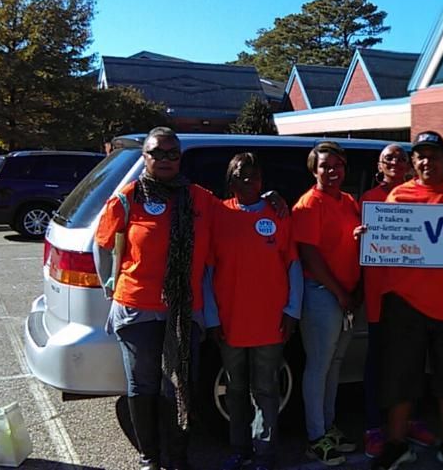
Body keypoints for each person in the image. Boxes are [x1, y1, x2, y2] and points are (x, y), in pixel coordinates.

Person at [95, 126, 216, 470]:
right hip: (137, 309)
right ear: (144, 157)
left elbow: (237, 217)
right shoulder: (127, 197)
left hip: (182, 310)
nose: (164, 159)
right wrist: (110, 285)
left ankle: (178, 458)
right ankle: (150, 457)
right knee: (142, 384)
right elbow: (101, 243)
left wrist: (268, 199)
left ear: (180, 157)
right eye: (156, 153)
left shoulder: (199, 198)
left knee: (177, 386)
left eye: (171, 153)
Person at [373, 131, 443, 470]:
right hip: (406, 304)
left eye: (433, 155)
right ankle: (395, 444)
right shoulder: (398, 196)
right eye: (420, 155)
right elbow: (384, 246)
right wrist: (370, 236)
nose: (426, 161)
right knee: (401, 378)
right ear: (413, 160)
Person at [205, 153, 302, 470]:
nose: (249, 180)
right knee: (235, 390)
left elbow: (293, 265)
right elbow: (208, 272)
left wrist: (292, 311)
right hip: (230, 323)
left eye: (255, 175)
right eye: (241, 175)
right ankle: (240, 449)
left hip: (270, 321)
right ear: (230, 180)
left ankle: (265, 453)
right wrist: (211, 317)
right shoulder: (218, 214)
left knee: (267, 390)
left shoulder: (279, 213)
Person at [357, 144, 437, 458]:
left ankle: (409, 421)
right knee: (378, 365)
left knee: (413, 364)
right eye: (389, 158)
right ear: (380, 165)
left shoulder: (421, 198)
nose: (396, 162)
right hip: (381, 295)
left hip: (416, 297)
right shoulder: (368, 201)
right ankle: (373, 429)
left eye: (402, 158)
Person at [292, 141, 362, 466]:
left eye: (338, 165)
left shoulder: (349, 201)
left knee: (335, 364)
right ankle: (315, 437)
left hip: (345, 294)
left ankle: (329, 426)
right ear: (314, 169)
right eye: (325, 166)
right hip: (322, 292)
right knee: (319, 365)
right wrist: (339, 292)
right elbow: (310, 255)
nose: (332, 171)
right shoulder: (308, 204)